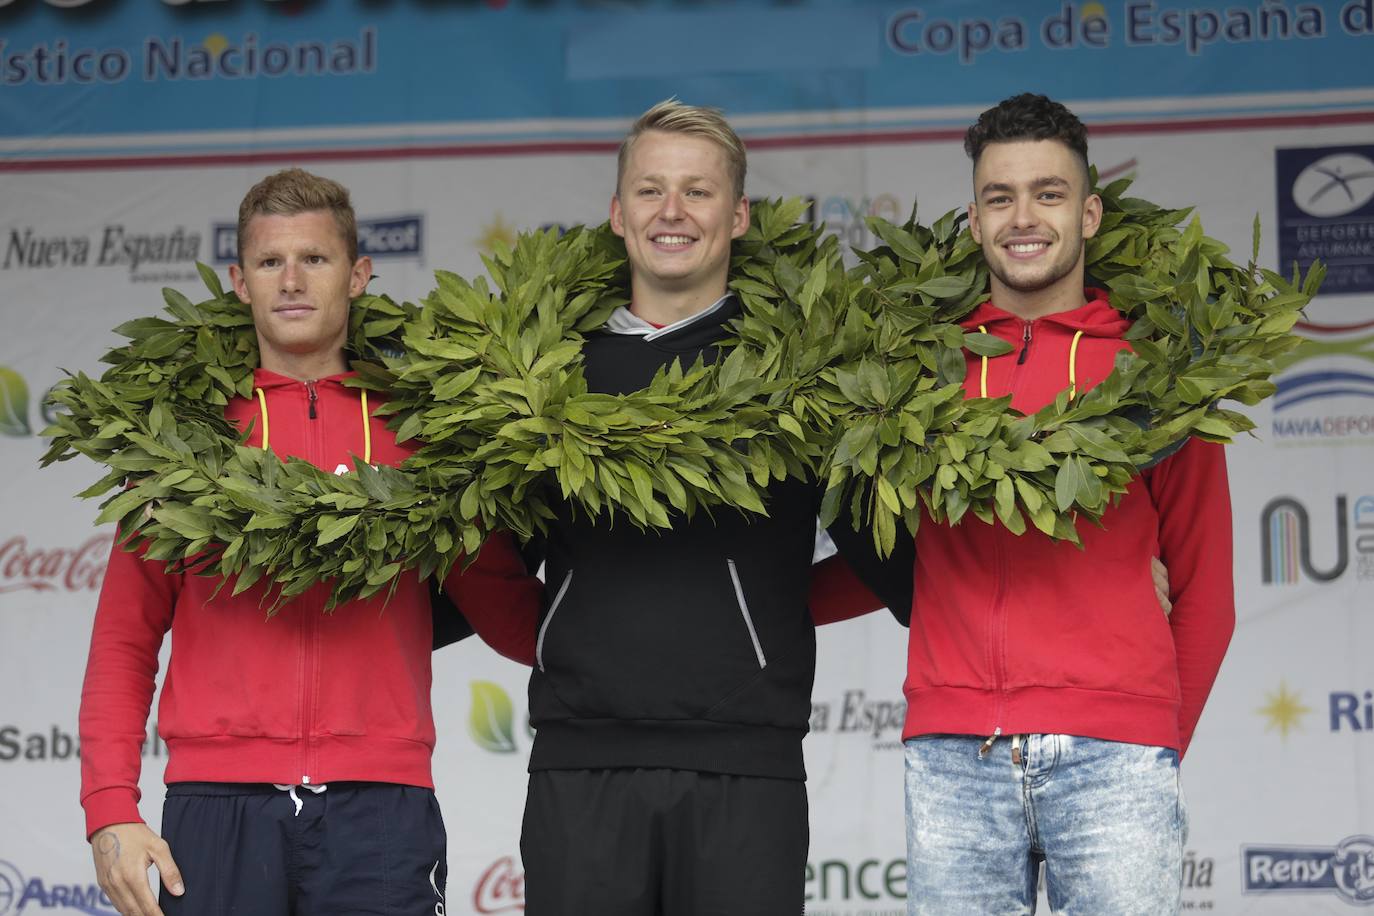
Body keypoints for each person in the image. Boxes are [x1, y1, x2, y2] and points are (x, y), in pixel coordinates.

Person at [452, 100, 909, 916]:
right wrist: (567, 638)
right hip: (580, 760)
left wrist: (773, 610)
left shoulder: (801, 369)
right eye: (650, 190)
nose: (672, 212)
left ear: (736, 216)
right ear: (617, 213)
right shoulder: (543, 371)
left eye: (697, 193)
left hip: (747, 765)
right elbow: (483, 553)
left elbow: (888, 552)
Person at [79, 168, 539, 916]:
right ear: (239, 281)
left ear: (357, 274)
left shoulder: (426, 435)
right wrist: (108, 809)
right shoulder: (185, 439)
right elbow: (123, 641)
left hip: (380, 809)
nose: (292, 281)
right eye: (270, 262)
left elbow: (513, 618)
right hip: (215, 804)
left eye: (315, 260)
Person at [899, 94, 1235, 915]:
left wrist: (1152, 741)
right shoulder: (920, 374)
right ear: (973, 221)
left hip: (1115, 752)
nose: (1024, 217)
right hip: (953, 749)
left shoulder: (1154, 377)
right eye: (999, 197)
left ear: (1088, 214)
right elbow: (894, 555)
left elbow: (1207, 592)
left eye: (1048, 194)